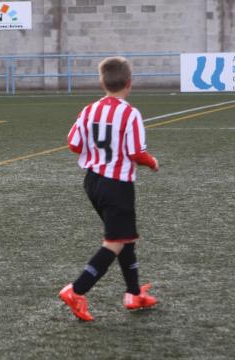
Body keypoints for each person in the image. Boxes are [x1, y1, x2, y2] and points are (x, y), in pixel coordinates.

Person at [59, 56, 160, 321]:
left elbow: (73, 143)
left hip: (93, 182)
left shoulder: (89, 109)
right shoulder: (130, 113)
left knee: (124, 237)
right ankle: (77, 290)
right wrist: (152, 163)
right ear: (129, 83)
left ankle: (133, 293)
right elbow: (136, 152)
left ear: (102, 82)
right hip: (117, 185)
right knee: (115, 241)